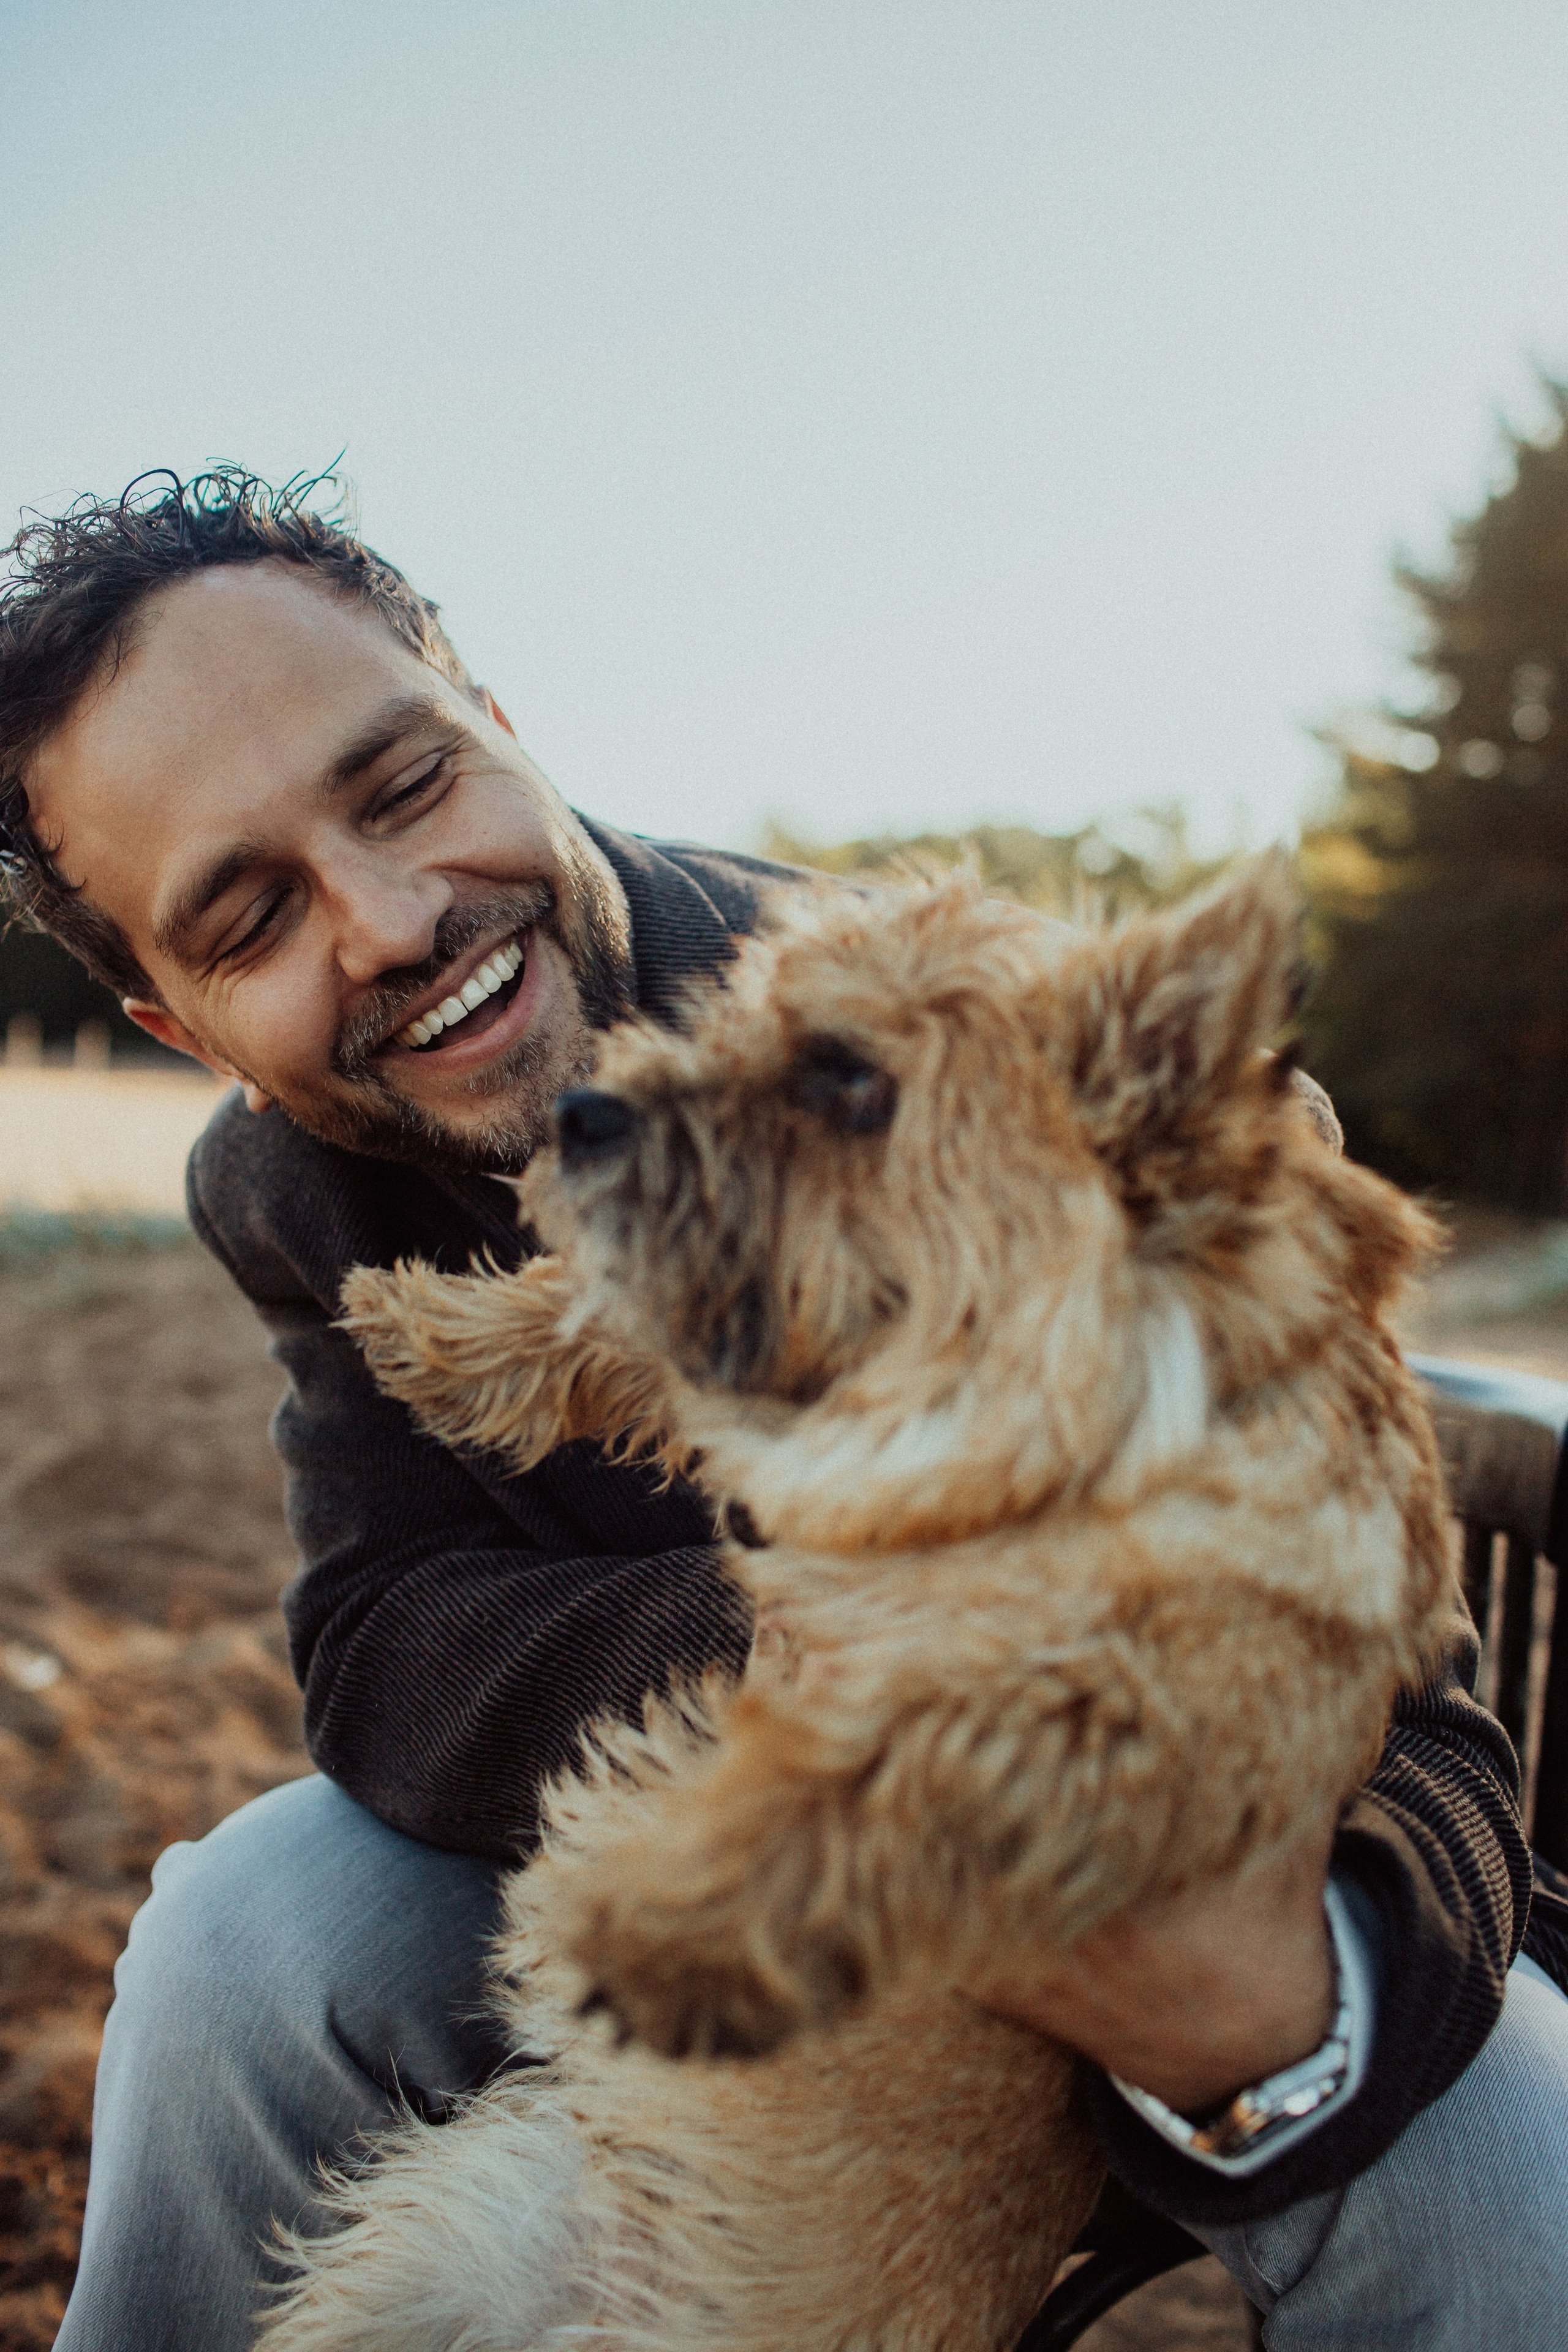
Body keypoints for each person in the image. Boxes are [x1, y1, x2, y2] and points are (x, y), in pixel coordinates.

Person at [0, 469, 1562, 2352]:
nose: (394, 919)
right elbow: (381, 1633)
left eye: (403, 785)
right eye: (247, 918)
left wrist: (1284, 2014)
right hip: (721, 1849)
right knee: (242, 1932)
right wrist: (818, 1659)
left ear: (498, 723)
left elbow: (1402, 1693)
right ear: (176, 1024)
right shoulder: (295, 1186)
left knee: (1521, 2166)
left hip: (1152, 1867)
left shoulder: (1021, 1052)